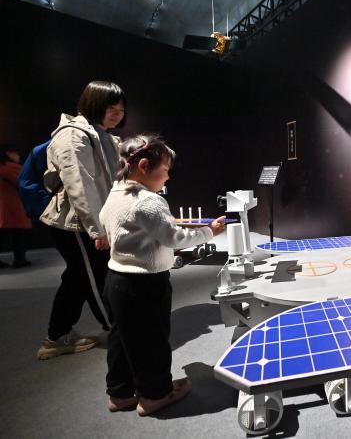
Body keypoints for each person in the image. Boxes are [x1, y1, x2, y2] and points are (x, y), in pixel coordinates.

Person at [99, 134, 225, 415]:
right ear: (144, 165)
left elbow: (104, 219)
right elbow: (175, 238)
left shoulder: (116, 191)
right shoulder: (149, 201)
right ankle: (156, 394)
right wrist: (210, 232)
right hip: (145, 282)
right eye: (166, 169)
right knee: (152, 340)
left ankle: (120, 393)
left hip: (116, 279)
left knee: (121, 337)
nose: (168, 176)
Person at [37, 81, 125, 360]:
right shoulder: (73, 135)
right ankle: (123, 334)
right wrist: (97, 229)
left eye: (121, 109)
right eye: (111, 108)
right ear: (94, 105)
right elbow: (80, 186)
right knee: (96, 277)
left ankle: (57, 335)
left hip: (89, 221)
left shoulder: (103, 136)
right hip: (77, 224)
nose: (117, 114)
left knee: (77, 278)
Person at [0, 144, 32, 268]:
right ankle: (19, 260)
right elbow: (24, 183)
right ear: (8, 153)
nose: (18, 156)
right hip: (13, 205)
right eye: (16, 153)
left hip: (3, 206)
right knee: (18, 235)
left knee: (3, 235)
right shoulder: (12, 167)